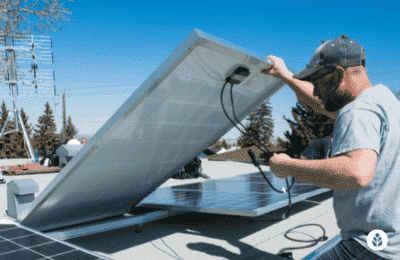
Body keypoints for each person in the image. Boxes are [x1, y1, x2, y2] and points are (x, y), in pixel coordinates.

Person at [262, 34, 400, 259]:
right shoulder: (385, 102)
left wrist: (288, 166)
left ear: (336, 74)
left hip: (366, 248)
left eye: (317, 82)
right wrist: (284, 75)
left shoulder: (357, 111)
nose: (315, 90)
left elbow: (356, 173)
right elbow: (322, 104)